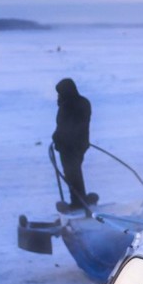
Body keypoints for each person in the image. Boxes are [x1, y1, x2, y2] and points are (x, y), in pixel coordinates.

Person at [52, 77, 95, 211]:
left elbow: (64, 128)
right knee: (75, 173)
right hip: (80, 145)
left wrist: (57, 138)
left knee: (72, 174)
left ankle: (78, 202)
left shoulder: (67, 106)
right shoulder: (83, 102)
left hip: (69, 147)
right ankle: (80, 199)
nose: (58, 96)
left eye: (60, 93)